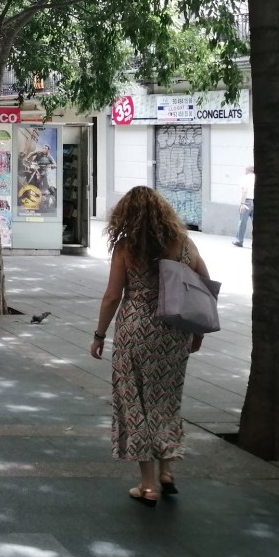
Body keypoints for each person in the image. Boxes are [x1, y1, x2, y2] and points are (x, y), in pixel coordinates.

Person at [89, 186, 211, 506]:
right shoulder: (185, 243)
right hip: (174, 333)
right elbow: (204, 289)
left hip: (136, 333)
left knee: (136, 404)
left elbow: (113, 296)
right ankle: (167, 471)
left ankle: (147, 486)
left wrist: (100, 335)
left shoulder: (126, 246)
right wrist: (197, 332)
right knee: (166, 400)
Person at [232, 165, 254, 247]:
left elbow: (244, 191)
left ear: (247, 171)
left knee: (242, 222)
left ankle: (239, 240)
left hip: (247, 202)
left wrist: (242, 204)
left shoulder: (245, 178)